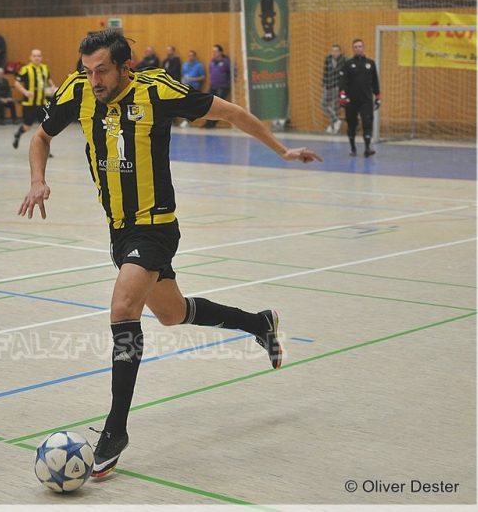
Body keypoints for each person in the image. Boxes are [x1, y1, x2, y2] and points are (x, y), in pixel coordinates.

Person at [17, 29, 322, 479]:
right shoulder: (77, 91)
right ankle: (260, 323)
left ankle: (115, 431)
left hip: (155, 226)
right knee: (173, 313)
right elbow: (40, 138)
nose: (94, 79)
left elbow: (231, 112)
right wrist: (37, 180)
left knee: (123, 309)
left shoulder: (157, 91)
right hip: (119, 230)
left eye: (102, 70)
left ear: (126, 67)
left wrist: (282, 150)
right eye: (88, 70)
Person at [339, 39, 380, 157]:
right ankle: (353, 148)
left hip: (366, 100)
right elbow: (343, 82)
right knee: (352, 124)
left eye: (360, 46)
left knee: (367, 122)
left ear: (363, 48)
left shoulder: (371, 63)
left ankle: (367, 148)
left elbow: (375, 82)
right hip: (351, 100)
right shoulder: (347, 64)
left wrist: (378, 97)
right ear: (353, 49)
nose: (358, 48)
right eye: (356, 47)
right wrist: (342, 96)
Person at [12, 48, 55, 150]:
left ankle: (44, 150)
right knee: (27, 127)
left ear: (41, 57)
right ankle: (18, 134)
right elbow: (16, 83)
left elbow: (49, 80)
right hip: (29, 104)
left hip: (42, 103)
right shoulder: (26, 69)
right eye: (34, 56)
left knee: (46, 128)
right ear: (30, 57)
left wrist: (53, 87)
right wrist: (25, 92)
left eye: (39, 56)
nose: (37, 58)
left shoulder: (44, 68)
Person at [204, 44, 234, 129]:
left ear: (220, 52)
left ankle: (212, 124)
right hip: (213, 86)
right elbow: (210, 72)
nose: (214, 53)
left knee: (218, 106)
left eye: (215, 51)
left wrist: (227, 82)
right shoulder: (212, 61)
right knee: (209, 104)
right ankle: (207, 123)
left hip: (222, 86)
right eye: (213, 51)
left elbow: (232, 72)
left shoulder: (226, 61)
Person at [321, 44, 345, 134]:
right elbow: (325, 72)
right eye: (333, 51)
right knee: (323, 104)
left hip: (337, 87)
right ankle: (336, 120)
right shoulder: (328, 59)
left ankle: (332, 126)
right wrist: (324, 84)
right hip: (328, 86)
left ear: (340, 52)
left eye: (336, 51)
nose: (334, 53)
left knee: (334, 107)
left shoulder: (343, 60)